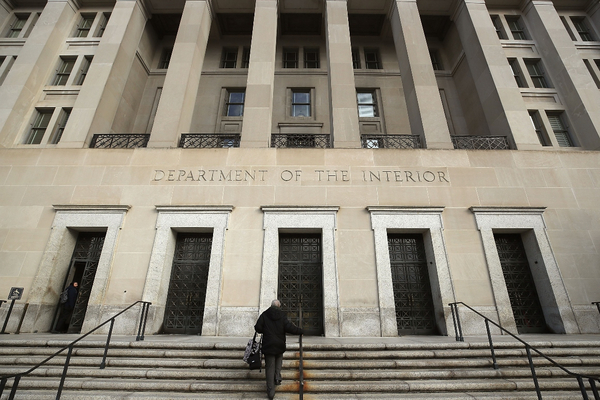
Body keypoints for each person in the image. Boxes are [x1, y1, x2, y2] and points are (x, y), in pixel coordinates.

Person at [254, 299, 303, 400]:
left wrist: (266, 330)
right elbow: (289, 327)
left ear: (271, 305)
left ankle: (271, 391)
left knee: (269, 367)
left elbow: (258, 328)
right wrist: (300, 331)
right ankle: (277, 377)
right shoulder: (282, 315)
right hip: (279, 344)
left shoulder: (265, 314)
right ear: (279, 306)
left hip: (268, 344)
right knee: (278, 362)